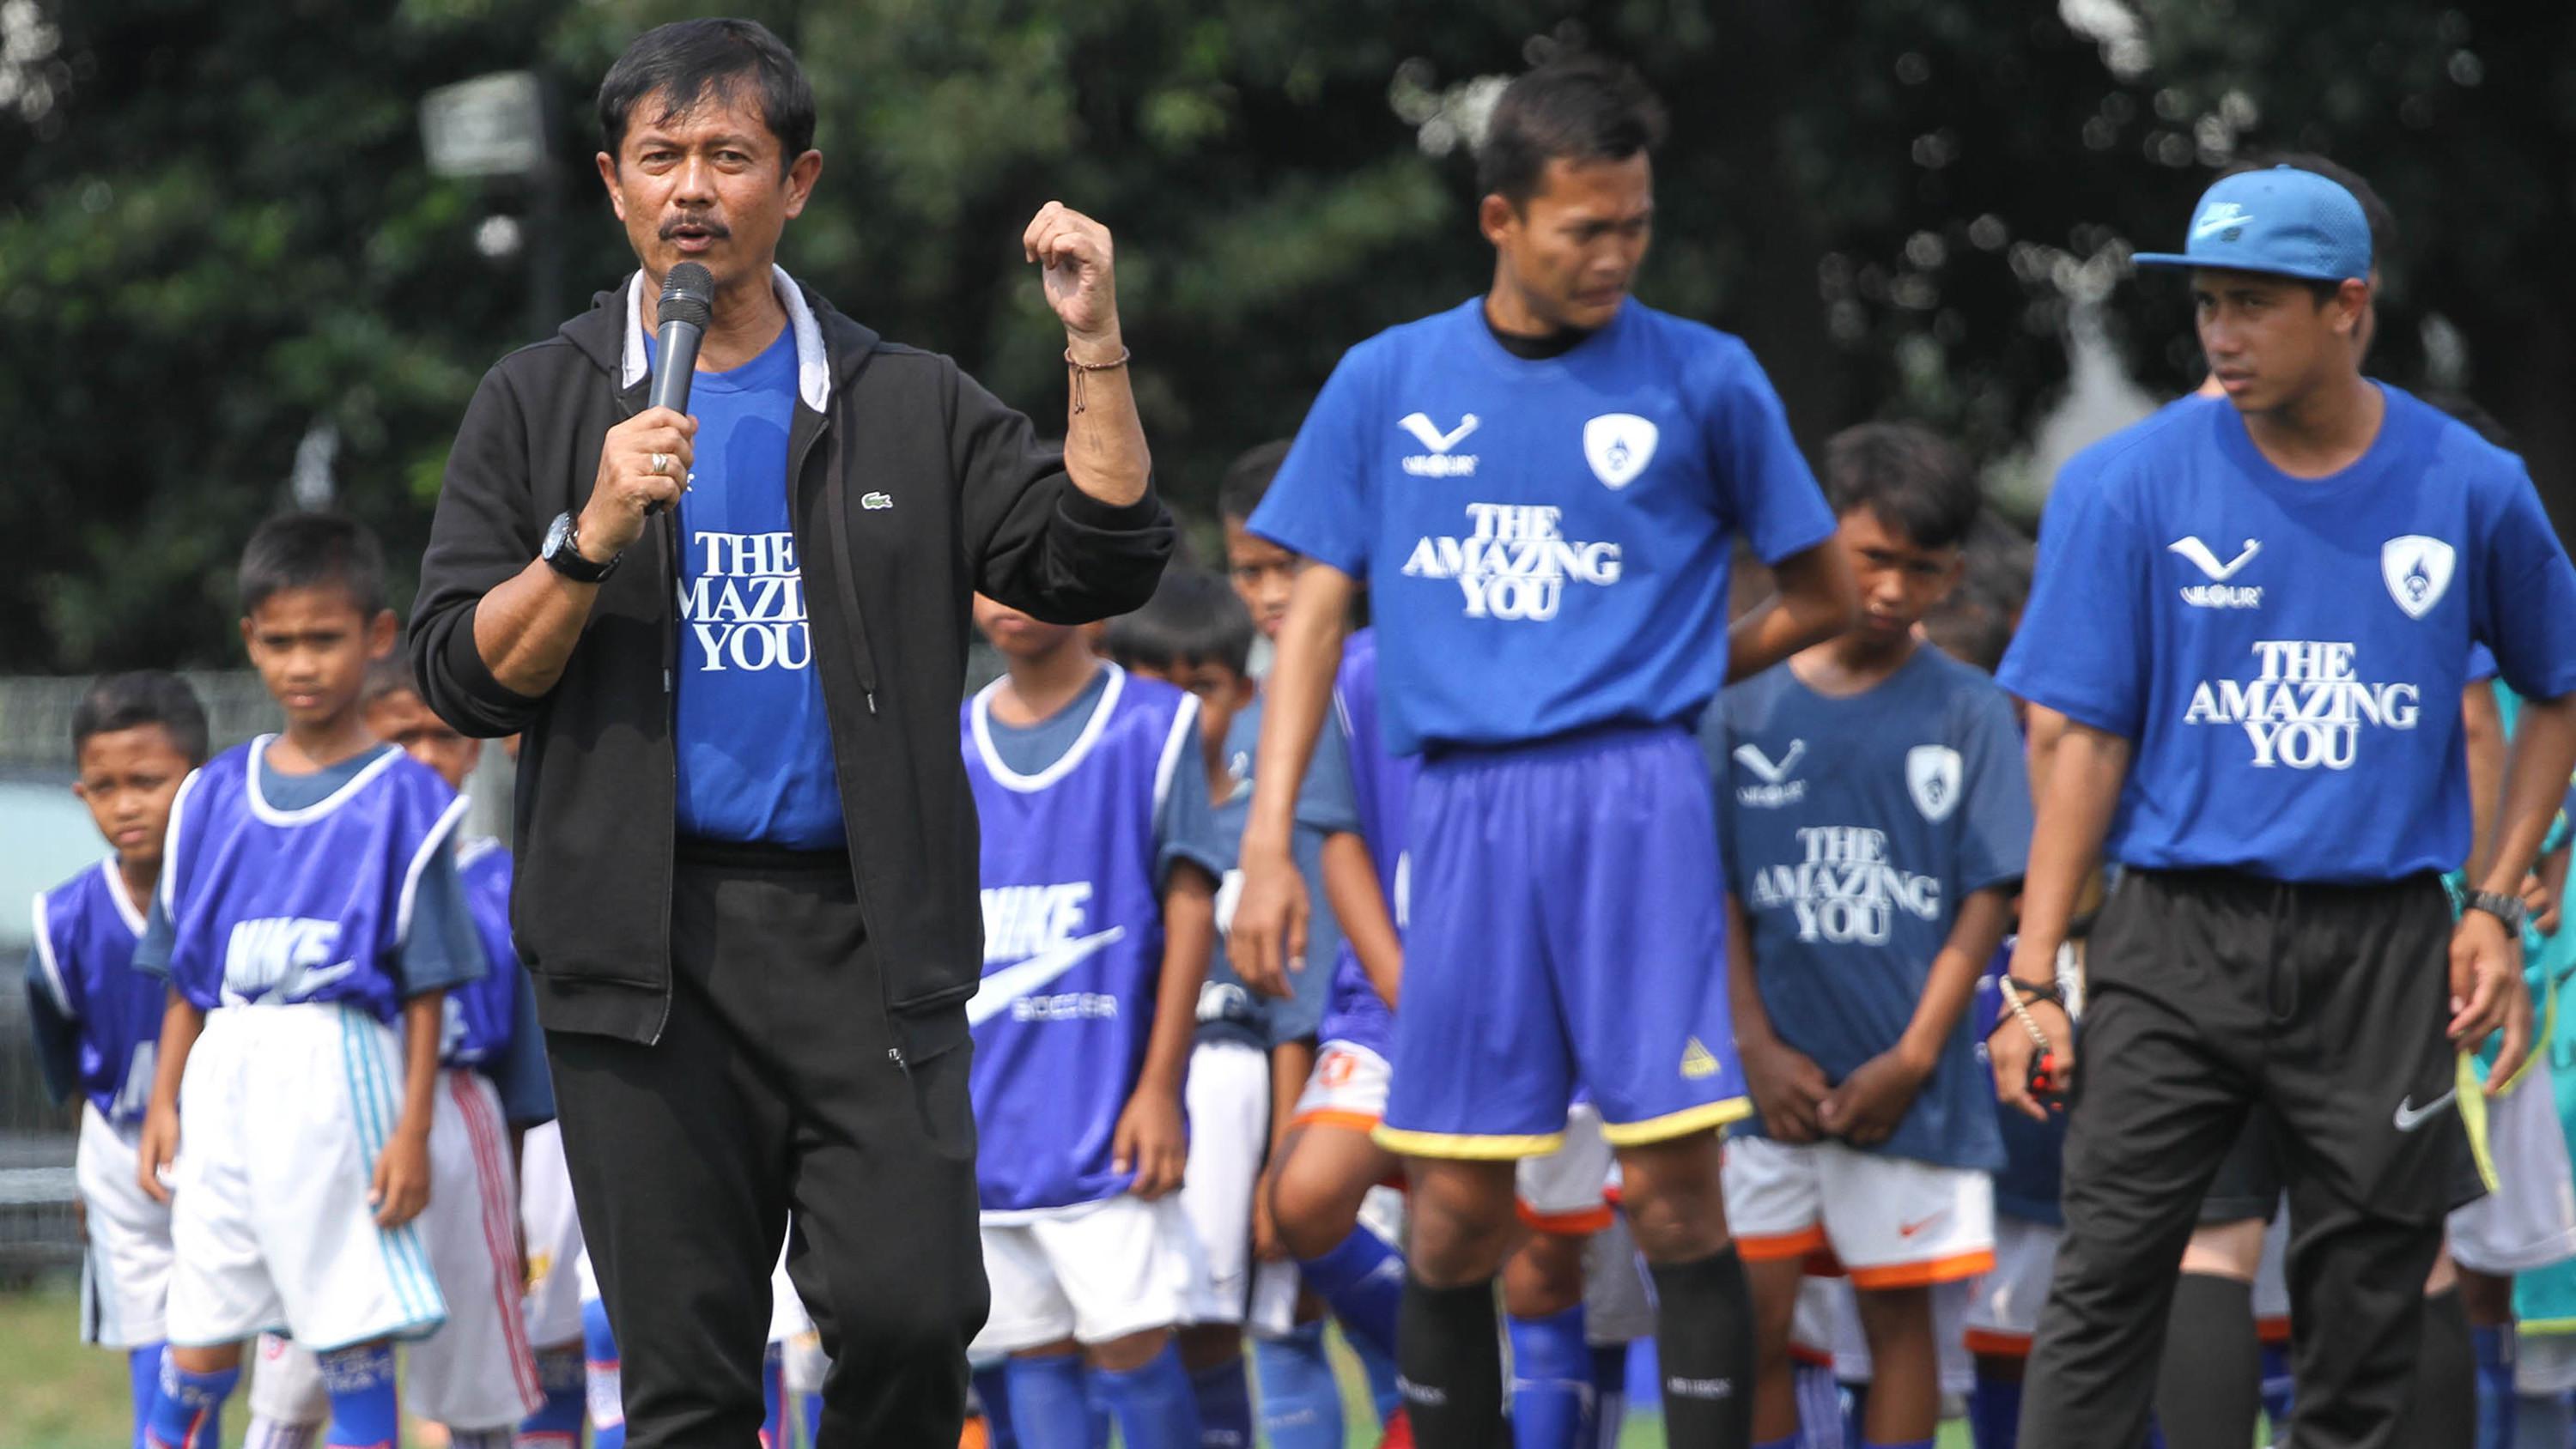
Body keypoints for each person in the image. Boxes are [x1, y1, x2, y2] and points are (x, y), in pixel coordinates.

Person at [406, 16, 1175, 1442]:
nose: (692, 188)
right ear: (611, 183)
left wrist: (1096, 345)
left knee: (913, 1311)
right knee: (686, 1382)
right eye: (660, 158)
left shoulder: (906, 400)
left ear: (798, 182)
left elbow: (1098, 559)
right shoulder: (539, 398)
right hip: (637, 956)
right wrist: (588, 535)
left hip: (866, 938)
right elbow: (460, 674)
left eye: (729, 156)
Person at [1230, 52, 1858, 1447]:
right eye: (1588, 227)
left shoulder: (1708, 376)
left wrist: (1682, 670)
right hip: (1460, 814)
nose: (1617, 255)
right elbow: (1314, 620)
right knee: (1456, 1207)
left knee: (1679, 1188)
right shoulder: (1388, 380)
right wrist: (1269, 844)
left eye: (1635, 223)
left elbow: (1825, 594)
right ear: (1502, 219)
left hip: (1639, 800)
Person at [1993, 164, 2576, 1446]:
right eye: (2207, 303)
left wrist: (2491, 899)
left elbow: (2557, 692)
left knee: (2369, 1309)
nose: (2220, 334)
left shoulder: (2471, 484)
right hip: (2170, 939)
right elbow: (2080, 744)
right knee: (2105, 1284)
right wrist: (2034, 973)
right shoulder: (2122, 485)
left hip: (2380, 951)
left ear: (2348, 305)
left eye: (2253, 304)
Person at [131, 512, 490, 1449]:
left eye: (324, 638)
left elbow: (428, 983)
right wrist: (165, 1096)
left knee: (348, 1324)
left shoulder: (404, 795)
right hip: (227, 1066)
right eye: (281, 640)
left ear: (375, 637)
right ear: (251, 640)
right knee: (200, 1329)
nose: (301, 663)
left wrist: (411, 1129)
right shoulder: (211, 790)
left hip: (341, 1068)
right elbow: (182, 966)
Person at [1710, 422, 2029, 1449]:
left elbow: (1986, 895)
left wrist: (1916, 1054)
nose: (1893, 589)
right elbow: (1713, 890)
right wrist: (1753, 1044)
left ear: (1953, 573)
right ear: (1816, 544)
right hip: (1765, 1086)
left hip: (1911, 1090)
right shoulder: (1737, 701)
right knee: (1749, 1325)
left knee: (1900, 1336)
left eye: (1922, 568)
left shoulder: (1973, 711)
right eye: (1872, 559)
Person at [239, 658, 564, 1449]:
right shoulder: (315, 869)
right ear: (363, 745)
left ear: (473, 752)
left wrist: (515, 1211)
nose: (423, 754)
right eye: (400, 735)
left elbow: (520, 1073)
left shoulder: (504, 884)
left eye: (442, 735)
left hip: (459, 1123)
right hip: (328, 1128)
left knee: (476, 1376)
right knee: (301, 1376)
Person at [960, 591, 1224, 1448]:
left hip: (1108, 1118)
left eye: (1035, 571)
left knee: (1134, 1349)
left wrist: (1160, 1086)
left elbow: (1190, 909)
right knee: (1032, 1357)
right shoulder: (947, 736)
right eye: (992, 572)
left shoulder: (1155, 723)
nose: (1011, 596)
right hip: (986, 1124)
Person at [1102, 567, 1282, 1449]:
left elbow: (1295, 1009)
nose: (1175, 711)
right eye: (1153, 684)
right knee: (1090, 1330)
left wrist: (1282, 1152)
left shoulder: (1270, 831)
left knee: (1212, 1324)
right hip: (1099, 1092)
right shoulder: (1090, 811)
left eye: (1200, 688)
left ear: (1243, 693)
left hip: (1224, 1092)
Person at [26, 672, 209, 1449]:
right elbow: (61, 1052)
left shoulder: (225, 895)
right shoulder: (61, 920)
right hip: (122, 1149)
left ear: (195, 780)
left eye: (147, 781)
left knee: (249, 1339)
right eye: (104, 786)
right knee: (152, 1337)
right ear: (80, 793)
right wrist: (86, 1160)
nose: (126, 804)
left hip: (226, 1143)